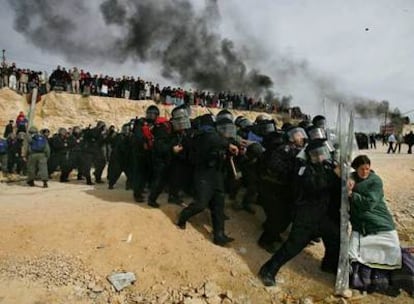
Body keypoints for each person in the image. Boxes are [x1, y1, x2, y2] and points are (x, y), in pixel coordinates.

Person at [258, 139, 341, 286]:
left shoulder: (328, 166)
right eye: (316, 155)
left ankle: (328, 265)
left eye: (323, 154)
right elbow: (314, 185)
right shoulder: (303, 169)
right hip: (306, 216)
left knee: (334, 238)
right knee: (293, 246)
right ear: (309, 156)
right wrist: (333, 175)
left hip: (323, 215)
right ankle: (268, 270)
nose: (320, 157)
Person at [347, 155, 401, 292]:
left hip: (380, 222)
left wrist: (352, 195)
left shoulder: (375, 181)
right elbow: (346, 178)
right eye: (361, 169)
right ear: (356, 168)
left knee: (391, 253)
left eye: (367, 169)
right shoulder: (351, 177)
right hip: (361, 226)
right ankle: (362, 280)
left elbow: (370, 203)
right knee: (353, 255)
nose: (365, 172)